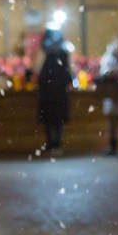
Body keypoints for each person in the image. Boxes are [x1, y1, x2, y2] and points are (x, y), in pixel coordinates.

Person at [34, 27, 74, 155]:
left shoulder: (44, 50)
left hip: (47, 88)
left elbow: (36, 68)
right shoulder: (65, 51)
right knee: (59, 118)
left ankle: (52, 143)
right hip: (61, 89)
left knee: (49, 118)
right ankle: (57, 144)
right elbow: (70, 70)